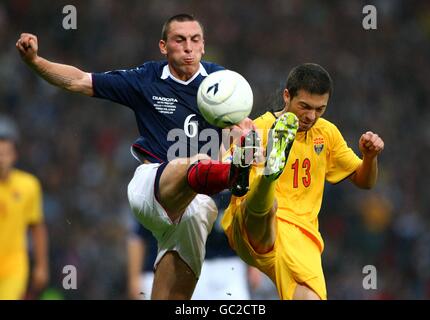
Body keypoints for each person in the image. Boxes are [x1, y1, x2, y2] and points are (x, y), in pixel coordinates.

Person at [16, 14, 253, 299]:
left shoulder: (221, 82)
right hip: (152, 187)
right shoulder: (145, 78)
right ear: (163, 46)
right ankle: (230, 174)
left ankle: (231, 173)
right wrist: (35, 62)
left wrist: (245, 137)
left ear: (203, 46)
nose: (189, 47)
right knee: (198, 161)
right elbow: (79, 80)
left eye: (195, 40)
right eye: (180, 40)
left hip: (196, 205)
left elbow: (241, 125)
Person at [221, 63, 385, 300]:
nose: (311, 116)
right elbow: (224, 172)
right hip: (252, 226)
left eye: (320, 109)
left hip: (302, 236)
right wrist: (240, 157)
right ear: (287, 95)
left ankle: (269, 173)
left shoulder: (327, 134)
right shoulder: (259, 128)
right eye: (305, 106)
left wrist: (370, 157)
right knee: (269, 207)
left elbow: (364, 181)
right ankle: (269, 176)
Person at [0, 116, 49, 299]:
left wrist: (41, 266)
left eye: (5, 153)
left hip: (14, 266)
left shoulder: (29, 186)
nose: (1, 158)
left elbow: (37, 227)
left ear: (14, 155)